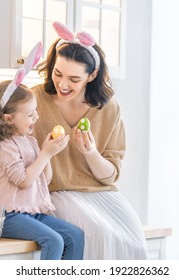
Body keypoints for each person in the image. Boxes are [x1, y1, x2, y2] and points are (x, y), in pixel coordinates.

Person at [31, 22, 148, 259]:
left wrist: (91, 153)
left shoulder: (108, 109)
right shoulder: (34, 100)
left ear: (92, 75)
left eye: (74, 79)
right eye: (58, 73)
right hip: (56, 194)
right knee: (98, 235)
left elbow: (111, 174)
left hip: (103, 194)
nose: (63, 85)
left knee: (134, 243)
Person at [0, 42, 84, 260]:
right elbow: (23, 181)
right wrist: (45, 153)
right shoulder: (5, 145)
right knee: (53, 240)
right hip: (11, 217)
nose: (36, 118)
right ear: (8, 118)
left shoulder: (30, 141)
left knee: (75, 235)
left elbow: (46, 178)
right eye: (30, 115)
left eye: (35, 113)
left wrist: (49, 153)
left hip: (34, 213)